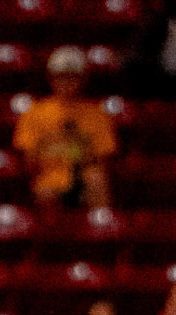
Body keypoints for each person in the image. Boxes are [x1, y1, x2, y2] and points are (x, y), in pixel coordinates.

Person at [13, 46, 116, 211]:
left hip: (84, 178)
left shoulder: (97, 114)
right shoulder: (35, 112)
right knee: (45, 193)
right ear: (51, 78)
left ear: (83, 79)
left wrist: (78, 149)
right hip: (49, 179)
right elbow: (29, 161)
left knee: (97, 180)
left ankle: (101, 233)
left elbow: (103, 159)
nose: (66, 83)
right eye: (61, 77)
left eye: (72, 77)